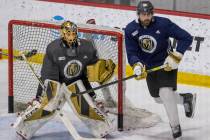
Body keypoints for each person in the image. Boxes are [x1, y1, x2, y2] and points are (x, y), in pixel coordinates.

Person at [12, 20, 116, 139]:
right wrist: (39, 97)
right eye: (68, 33)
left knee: (86, 107)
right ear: (62, 34)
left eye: (73, 33)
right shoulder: (54, 49)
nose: (71, 36)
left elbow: (87, 72)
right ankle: (23, 130)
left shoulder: (87, 47)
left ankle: (102, 130)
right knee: (47, 107)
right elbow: (46, 76)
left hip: (75, 81)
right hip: (56, 82)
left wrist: (92, 92)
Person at [124, 1, 196, 139]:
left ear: (152, 14)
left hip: (166, 64)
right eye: (143, 14)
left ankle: (176, 128)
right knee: (158, 98)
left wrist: (177, 56)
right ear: (138, 14)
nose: (146, 17)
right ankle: (185, 99)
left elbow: (186, 37)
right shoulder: (130, 29)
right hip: (149, 67)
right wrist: (137, 64)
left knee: (165, 93)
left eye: (148, 14)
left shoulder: (163, 24)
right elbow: (131, 51)